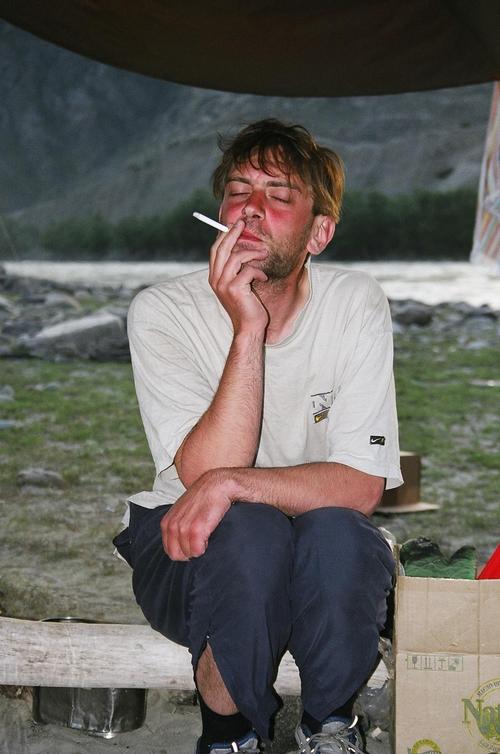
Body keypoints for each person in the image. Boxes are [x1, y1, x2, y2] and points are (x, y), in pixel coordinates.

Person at [113, 118, 402, 754]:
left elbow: (360, 486)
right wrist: (247, 328)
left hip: (319, 549)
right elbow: (203, 477)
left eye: (278, 195)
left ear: (318, 233)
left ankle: (329, 727)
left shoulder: (354, 303)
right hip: (189, 543)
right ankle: (228, 735)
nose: (250, 209)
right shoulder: (163, 312)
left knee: (339, 534)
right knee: (249, 530)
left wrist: (234, 483)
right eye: (238, 191)